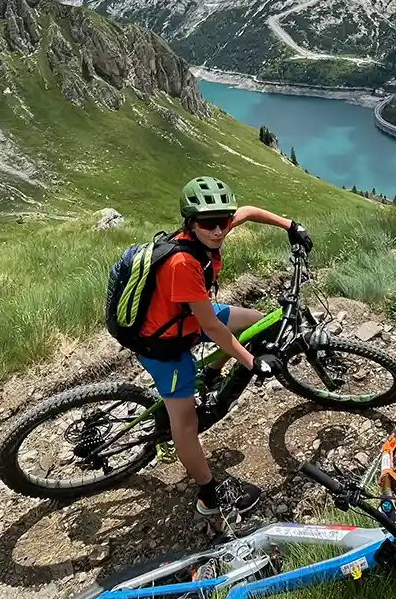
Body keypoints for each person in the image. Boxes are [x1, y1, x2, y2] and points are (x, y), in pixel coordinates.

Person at [133, 175, 313, 519]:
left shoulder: (208, 233)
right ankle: (208, 496)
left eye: (222, 222)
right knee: (184, 425)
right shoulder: (182, 264)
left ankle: (212, 372)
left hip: (185, 314)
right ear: (190, 222)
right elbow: (210, 326)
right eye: (208, 224)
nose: (218, 231)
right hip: (163, 340)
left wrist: (291, 226)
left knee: (259, 320)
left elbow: (246, 212)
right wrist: (251, 362)